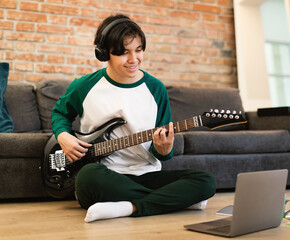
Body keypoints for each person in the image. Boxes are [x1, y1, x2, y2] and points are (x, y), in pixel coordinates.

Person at [51, 14, 216, 223]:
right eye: (123, 53)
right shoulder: (84, 86)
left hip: (147, 174)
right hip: (107, 175)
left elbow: (162, 151)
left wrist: (164, 150)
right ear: (104, 54)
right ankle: (173, 201)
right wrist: (63, 136)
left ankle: (129, 207)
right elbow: (59, 113)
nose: (133, 59)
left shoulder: (156, 89)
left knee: (205, 181)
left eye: (138, 50)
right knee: (87, 178)